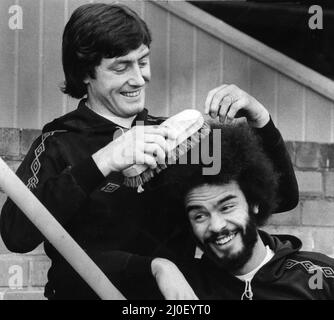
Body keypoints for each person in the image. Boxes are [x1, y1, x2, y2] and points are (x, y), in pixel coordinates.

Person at [0, 3, 298, 300]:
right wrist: (102, 161)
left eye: (142, 62)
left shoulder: (183, 140)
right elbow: (16, 235)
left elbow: (279, 197)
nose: (139, 79)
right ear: (85, 74)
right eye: (121, 67)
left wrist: (261, 120)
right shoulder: (58, 143)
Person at [152, 123, 334, 300]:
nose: (216, 226)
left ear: (254, 202)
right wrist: (159, 266)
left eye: (226, 207)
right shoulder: (182, 287)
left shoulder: (317, 276)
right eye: (199, 216)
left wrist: (261, 119)